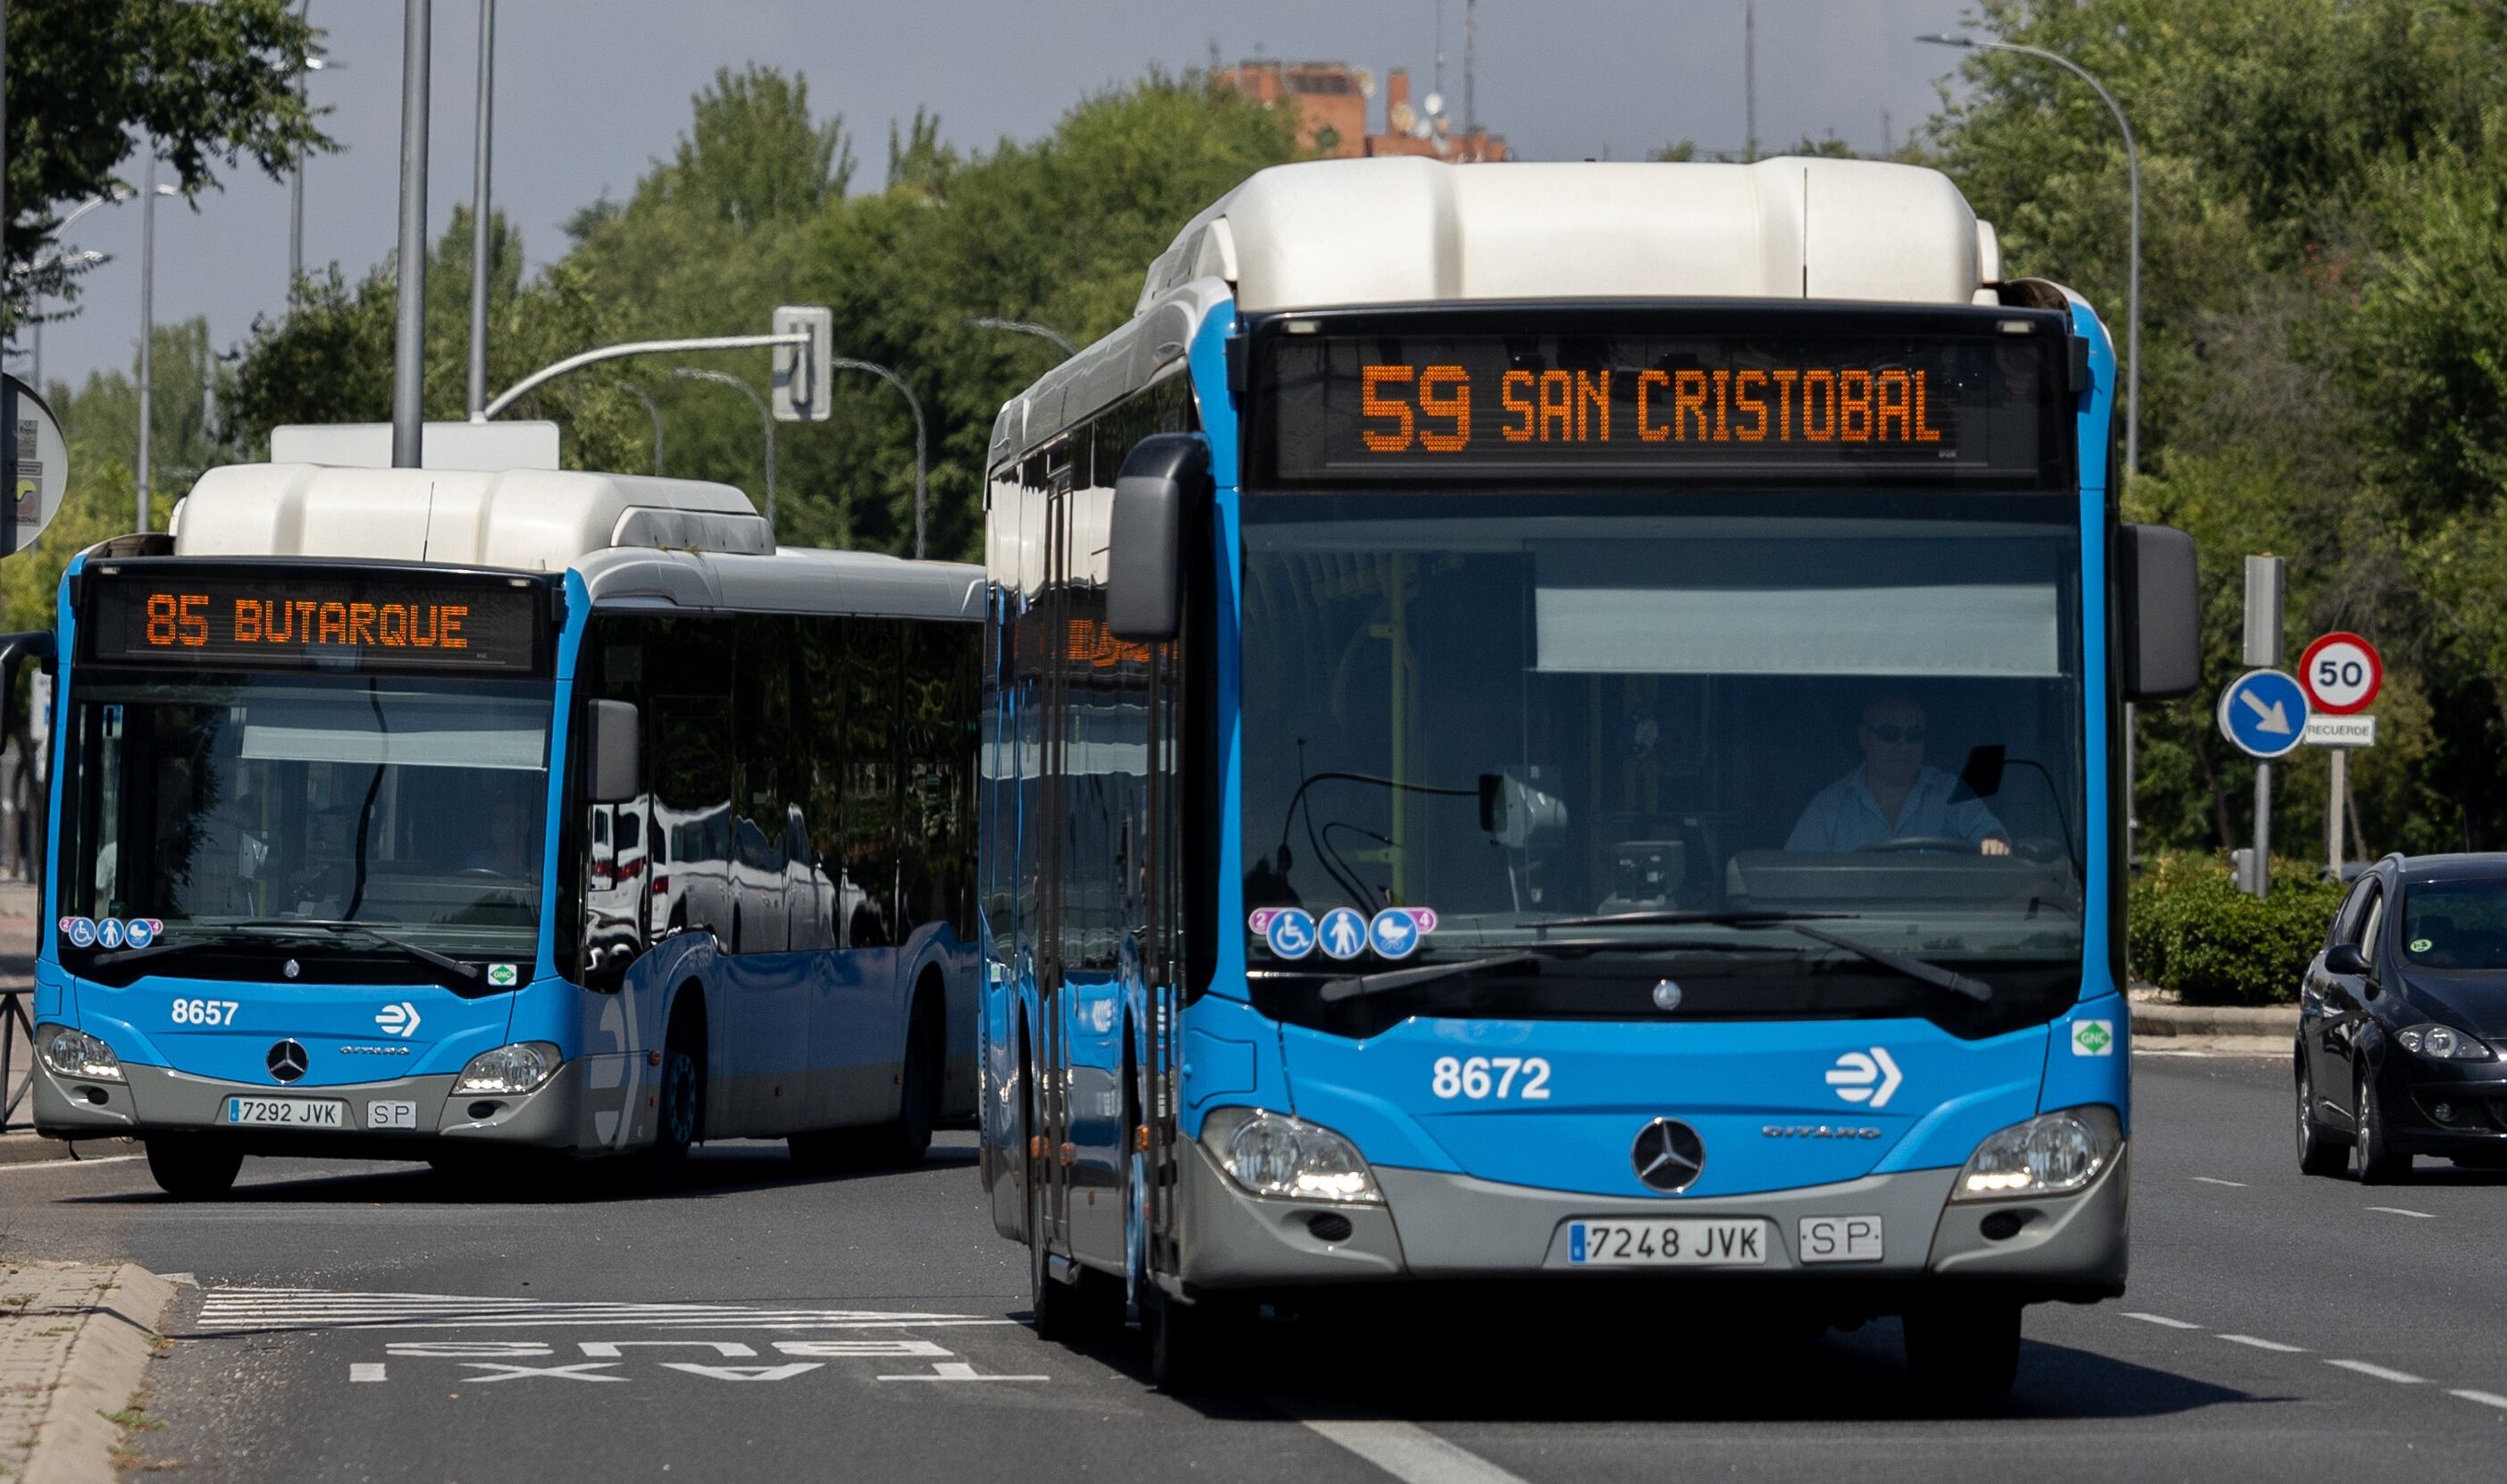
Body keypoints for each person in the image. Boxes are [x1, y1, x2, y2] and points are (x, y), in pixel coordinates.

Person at [1786, 692, 2009, 855]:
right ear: (1864, 738)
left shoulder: (1950, 792)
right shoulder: (1828, 807)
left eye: (1914, 735)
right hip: (1857, 921)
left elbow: (1996, 840)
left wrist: (1995, 843)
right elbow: (1793, 877)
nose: (1903, 746)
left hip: (1940, 919)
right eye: (1890, 734)